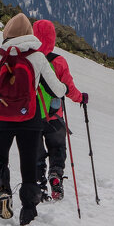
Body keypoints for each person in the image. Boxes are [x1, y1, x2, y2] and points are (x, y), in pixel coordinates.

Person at [0, 13, 67, 226]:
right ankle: (28, 212)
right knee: (28, 166)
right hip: (30, 120)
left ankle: (3, 191)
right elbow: (57, 90)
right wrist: (65, 87)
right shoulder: (37, 57)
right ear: (30, 34)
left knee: (0, 160)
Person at [32, 20, 86, 202]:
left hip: (31, 116)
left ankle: (39, 187)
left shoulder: (29, 59)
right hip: (55, 116)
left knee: (36, 153)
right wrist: (81, 98)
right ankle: (55, 175)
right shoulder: (58, 61)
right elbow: (69, 88)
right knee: (57, 148)